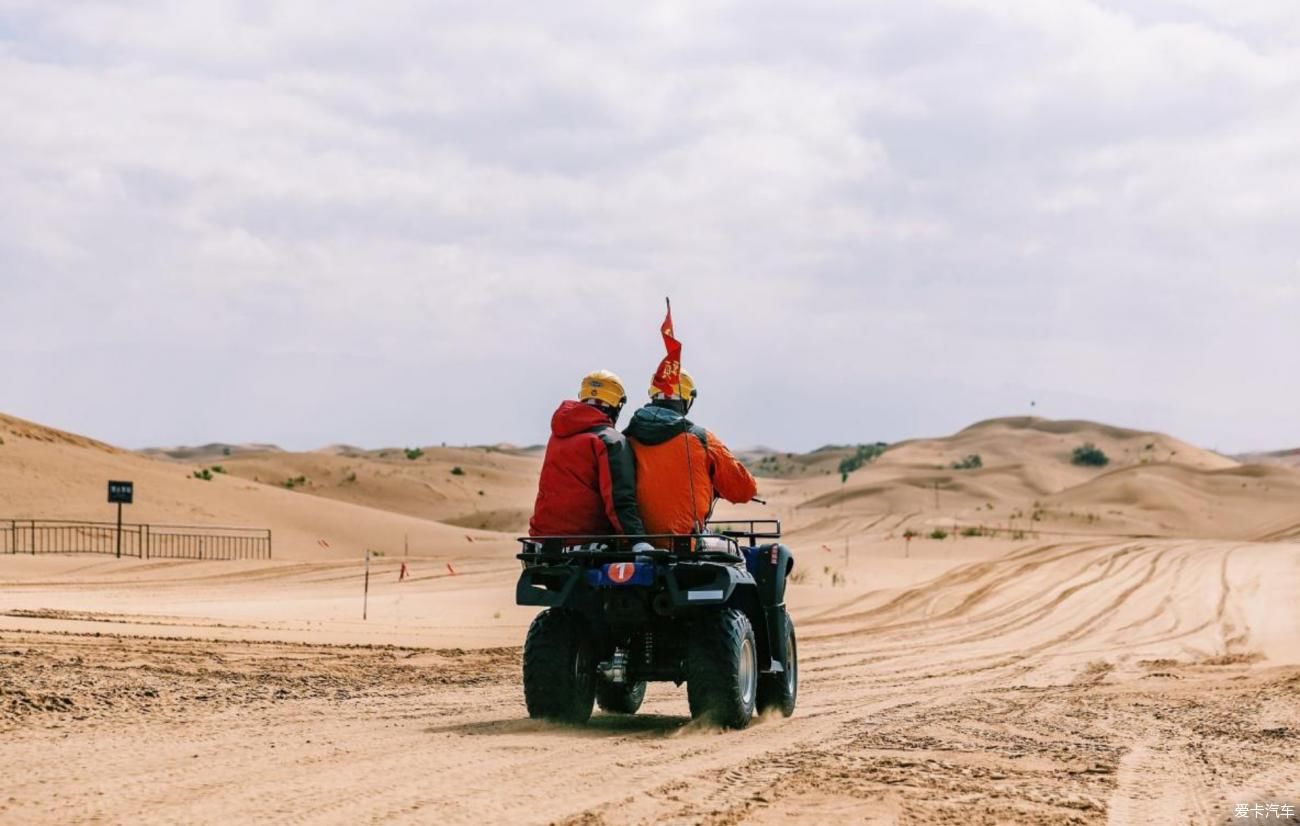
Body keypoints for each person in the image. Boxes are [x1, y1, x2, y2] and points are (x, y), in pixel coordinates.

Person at [623, 369, 757, 535]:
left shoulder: (625, 438)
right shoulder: (702, 439)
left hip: (630, 544)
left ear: (653, 394)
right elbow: (744, 490)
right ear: (687, 400)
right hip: (687, 545)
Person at [528, 370, 645, 538]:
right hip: (587, 542)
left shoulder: (558, 435)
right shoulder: (610, 440)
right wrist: (637, 540)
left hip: (543, 540)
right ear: (617, 405)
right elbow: (619, 499)